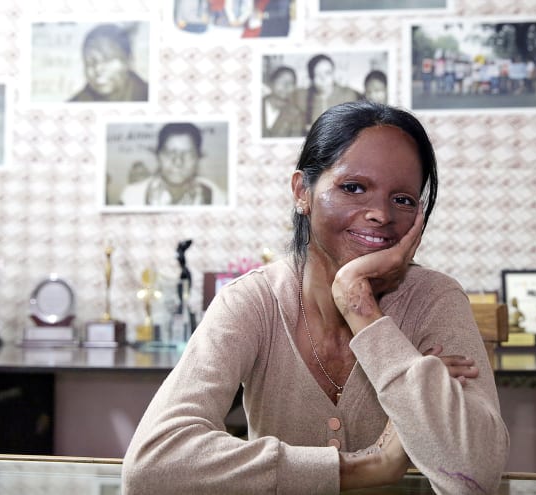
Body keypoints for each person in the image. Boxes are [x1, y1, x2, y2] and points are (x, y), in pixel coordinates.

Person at [122, 101, 509, 494]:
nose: (380, 213)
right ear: (301, 192)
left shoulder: (435, 299)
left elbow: (474, 476)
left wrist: (360, 305)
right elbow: (152, 463)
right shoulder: (253, 301)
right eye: (353, 187)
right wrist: (366, 467)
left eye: (403, 199)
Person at [119, 122, 227, 206]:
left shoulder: (216, 196)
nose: (178, 162)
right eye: (170, 153)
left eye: (187, 154)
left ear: (198, 157)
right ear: (158, 156)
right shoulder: (131, 195)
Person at [68, 23, 148, 103]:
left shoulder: (148, 96)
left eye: (107, 60)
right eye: (90, 63)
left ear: (128, 61)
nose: (98, 69)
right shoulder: (74, 103)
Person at [294, 54, 362, 131]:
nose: (323, 79)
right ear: (311, 77)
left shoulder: (348, 95)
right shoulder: (301, 97)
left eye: (327, 73)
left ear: (333, 73)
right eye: (318, 74)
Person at [262, 65, 306, 138]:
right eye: (281, 80)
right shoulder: (255, 105)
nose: (286, 85)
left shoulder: (296, 115)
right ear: (271, 83)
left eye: (291, 82)